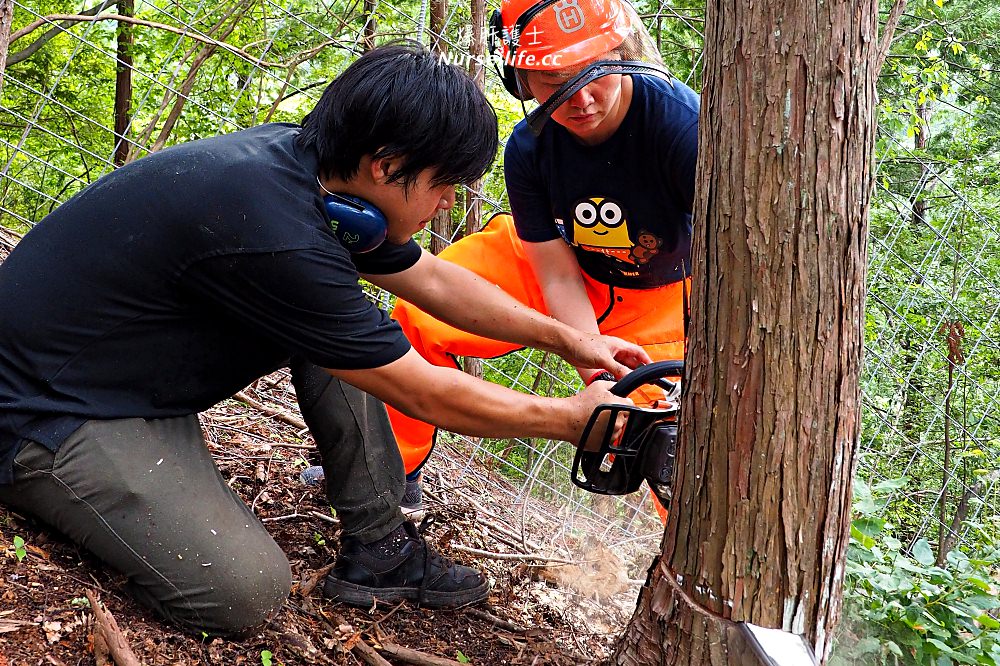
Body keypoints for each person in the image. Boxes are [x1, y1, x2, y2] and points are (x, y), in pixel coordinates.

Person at [0, 43, 647, 637]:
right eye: (443, 184)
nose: (447, 204)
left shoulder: (310, 176)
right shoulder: (276, 231)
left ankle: (380, 550)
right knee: (246, 591)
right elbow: (419, 390)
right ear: (385, 165)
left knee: (349, 333)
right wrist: (568, 421)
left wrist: (569, 340)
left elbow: (435, 281)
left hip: (110, 379)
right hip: (43, 415)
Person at [387, 0, 699, 519]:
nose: (580, 97)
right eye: (554, 80)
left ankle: (696, 574)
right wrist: (591, 358)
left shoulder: (681, 127)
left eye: (593, 73)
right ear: (521, 78)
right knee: (419, 315)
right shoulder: (529, 149)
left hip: (665, 294)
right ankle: (388, 477)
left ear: (622, 53)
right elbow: (553, 271)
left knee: (668, 433)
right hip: (566, 267)